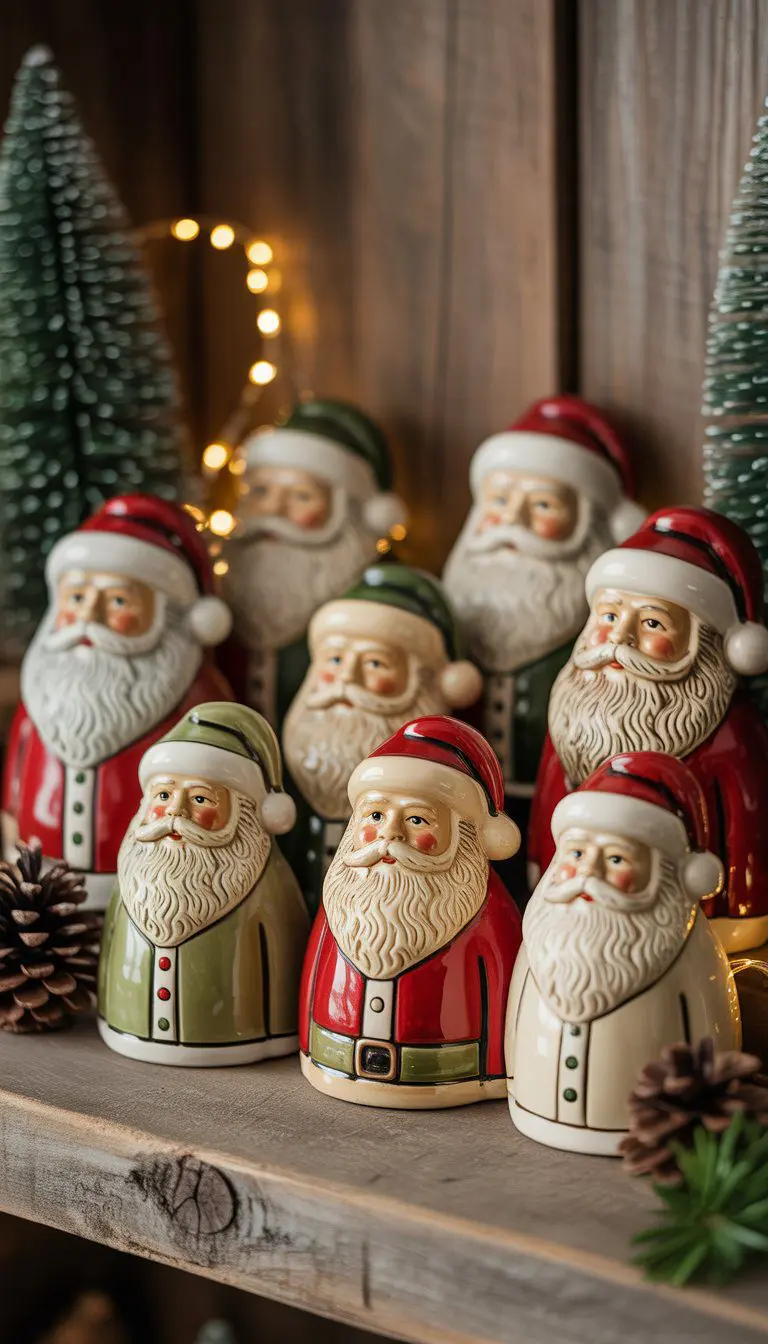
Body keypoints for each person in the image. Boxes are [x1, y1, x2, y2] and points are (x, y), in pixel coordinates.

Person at [530, 506, 768, 952]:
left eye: (653, 622)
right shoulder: (573, 706)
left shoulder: (731, 731)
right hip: (570, 897)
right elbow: (550, 795)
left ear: (700, 640)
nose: (621, 638)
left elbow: (744, 821)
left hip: (697, 919)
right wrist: (539, 864)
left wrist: (742, 906)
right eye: (608, 617)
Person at [2, 495, 232, 908]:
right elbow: (19, 764)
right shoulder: (43, 687)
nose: (90, 616)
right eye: (76, 599)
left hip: (151, 888)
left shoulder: (194, 694)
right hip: (36, 886)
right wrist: (9, 816)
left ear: (162, 614)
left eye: (119, 601)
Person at [507, 751, 740, 1155]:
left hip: (653, 1130)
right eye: (576, 854)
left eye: (615, 859)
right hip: (531, 1108)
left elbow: (710, 1031)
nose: (588, 873)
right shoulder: (543, 935)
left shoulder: (688, 948)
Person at [299, 715, 522, 1108]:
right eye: (375, 816)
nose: (391, 835)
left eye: (417, 819)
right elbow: (316, 973)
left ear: (463, 832)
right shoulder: (344, 895)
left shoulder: (487, 908)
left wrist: (496, 1071)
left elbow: (501, 985)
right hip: (333, 1055)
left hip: (449, 1069)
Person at [443, 395, 643, 820]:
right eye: (498, 502)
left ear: (586, 523)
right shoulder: (454, 617)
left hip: (562, 803)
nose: (513, 519)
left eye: (543, 505)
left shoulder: (598, 631)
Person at [98, 702, 309, 1066]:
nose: (176, 812)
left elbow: (280, 963)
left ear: (244, 811)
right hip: (123, 1029)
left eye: (199, 798)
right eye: (163, 796)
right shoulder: (134, 871)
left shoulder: (270, 881)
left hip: (246, 1038)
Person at [282, 564, 482, 908]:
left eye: (375, 663)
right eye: (334, 659)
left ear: (419, 680)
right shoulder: (291, 764)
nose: (347, 677)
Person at [220, 398, 406, 727]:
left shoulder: (381, 594)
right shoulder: (228, 586)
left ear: (346, 510)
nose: (273, 511)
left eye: (301, 496)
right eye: (260, 491)